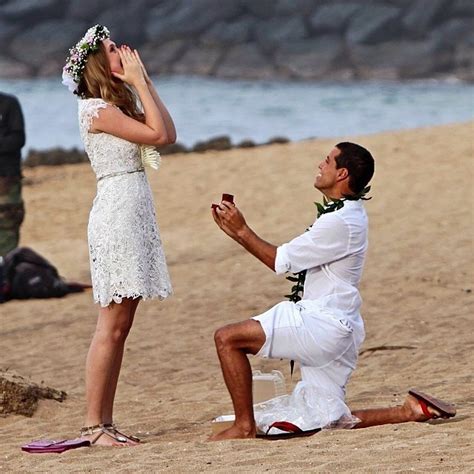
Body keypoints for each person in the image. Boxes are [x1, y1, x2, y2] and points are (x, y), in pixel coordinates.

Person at [210, 143, 455, 440]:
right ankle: (409, 411)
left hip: (321, 325)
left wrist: (241, 231)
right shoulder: (347, 214)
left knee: (228, 339)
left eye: (326, 161)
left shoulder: (339, 221)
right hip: (340, 327)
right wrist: (237, 231)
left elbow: (280, 261)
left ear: (341, 173)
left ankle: (243, 426)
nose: (319, 165)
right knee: (329, 418)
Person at [62, 25, 176, 446]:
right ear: (96, 62)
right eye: (113, 49)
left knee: (122, 324)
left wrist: (144, 83)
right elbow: (158, 136)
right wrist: (140, 82)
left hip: (133, 209)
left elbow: (169, 133)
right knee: (110, 325)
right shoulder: (96, 109)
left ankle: (105, 424)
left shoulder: (118, 105)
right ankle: (93, 426)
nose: (123, 51)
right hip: (116, 212)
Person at [0, 92, 25, 256]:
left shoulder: (8, 103)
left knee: (7, 226)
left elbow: (18, 139)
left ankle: (6, 277)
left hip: (6, 178)